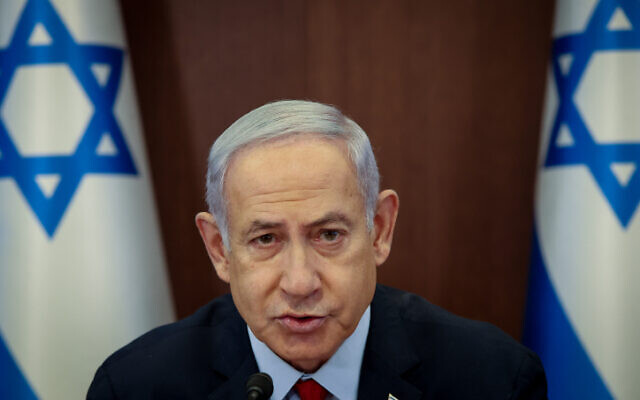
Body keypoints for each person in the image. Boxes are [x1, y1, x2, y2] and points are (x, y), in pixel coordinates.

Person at [87, 100, 547, 399]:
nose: (300, 283)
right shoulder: (133, 388)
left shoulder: (494, 379)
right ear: (219, 248)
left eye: (329, 235)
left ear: (380, 229)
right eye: (265, 239)